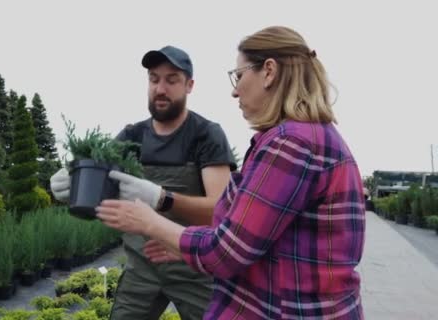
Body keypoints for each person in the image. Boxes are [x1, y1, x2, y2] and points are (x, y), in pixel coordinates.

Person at [96, 26, 366, 319]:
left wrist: (151, 220)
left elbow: (226, 252)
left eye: (239, 76)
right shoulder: (306, 137)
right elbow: (251, 234)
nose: (235, 90)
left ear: (269, 72)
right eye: (154, 80)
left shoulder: (290, 144)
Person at [50, 45, 236, 320]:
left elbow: (223, 211)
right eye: (154, 79)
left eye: (172, 80)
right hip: (141, 269)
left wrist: (162, 198)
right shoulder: (131, 136)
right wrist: (71, 185)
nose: (160, 88)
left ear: (189, 85)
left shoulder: (206, 136)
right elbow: (99, 186)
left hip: (194, 270)